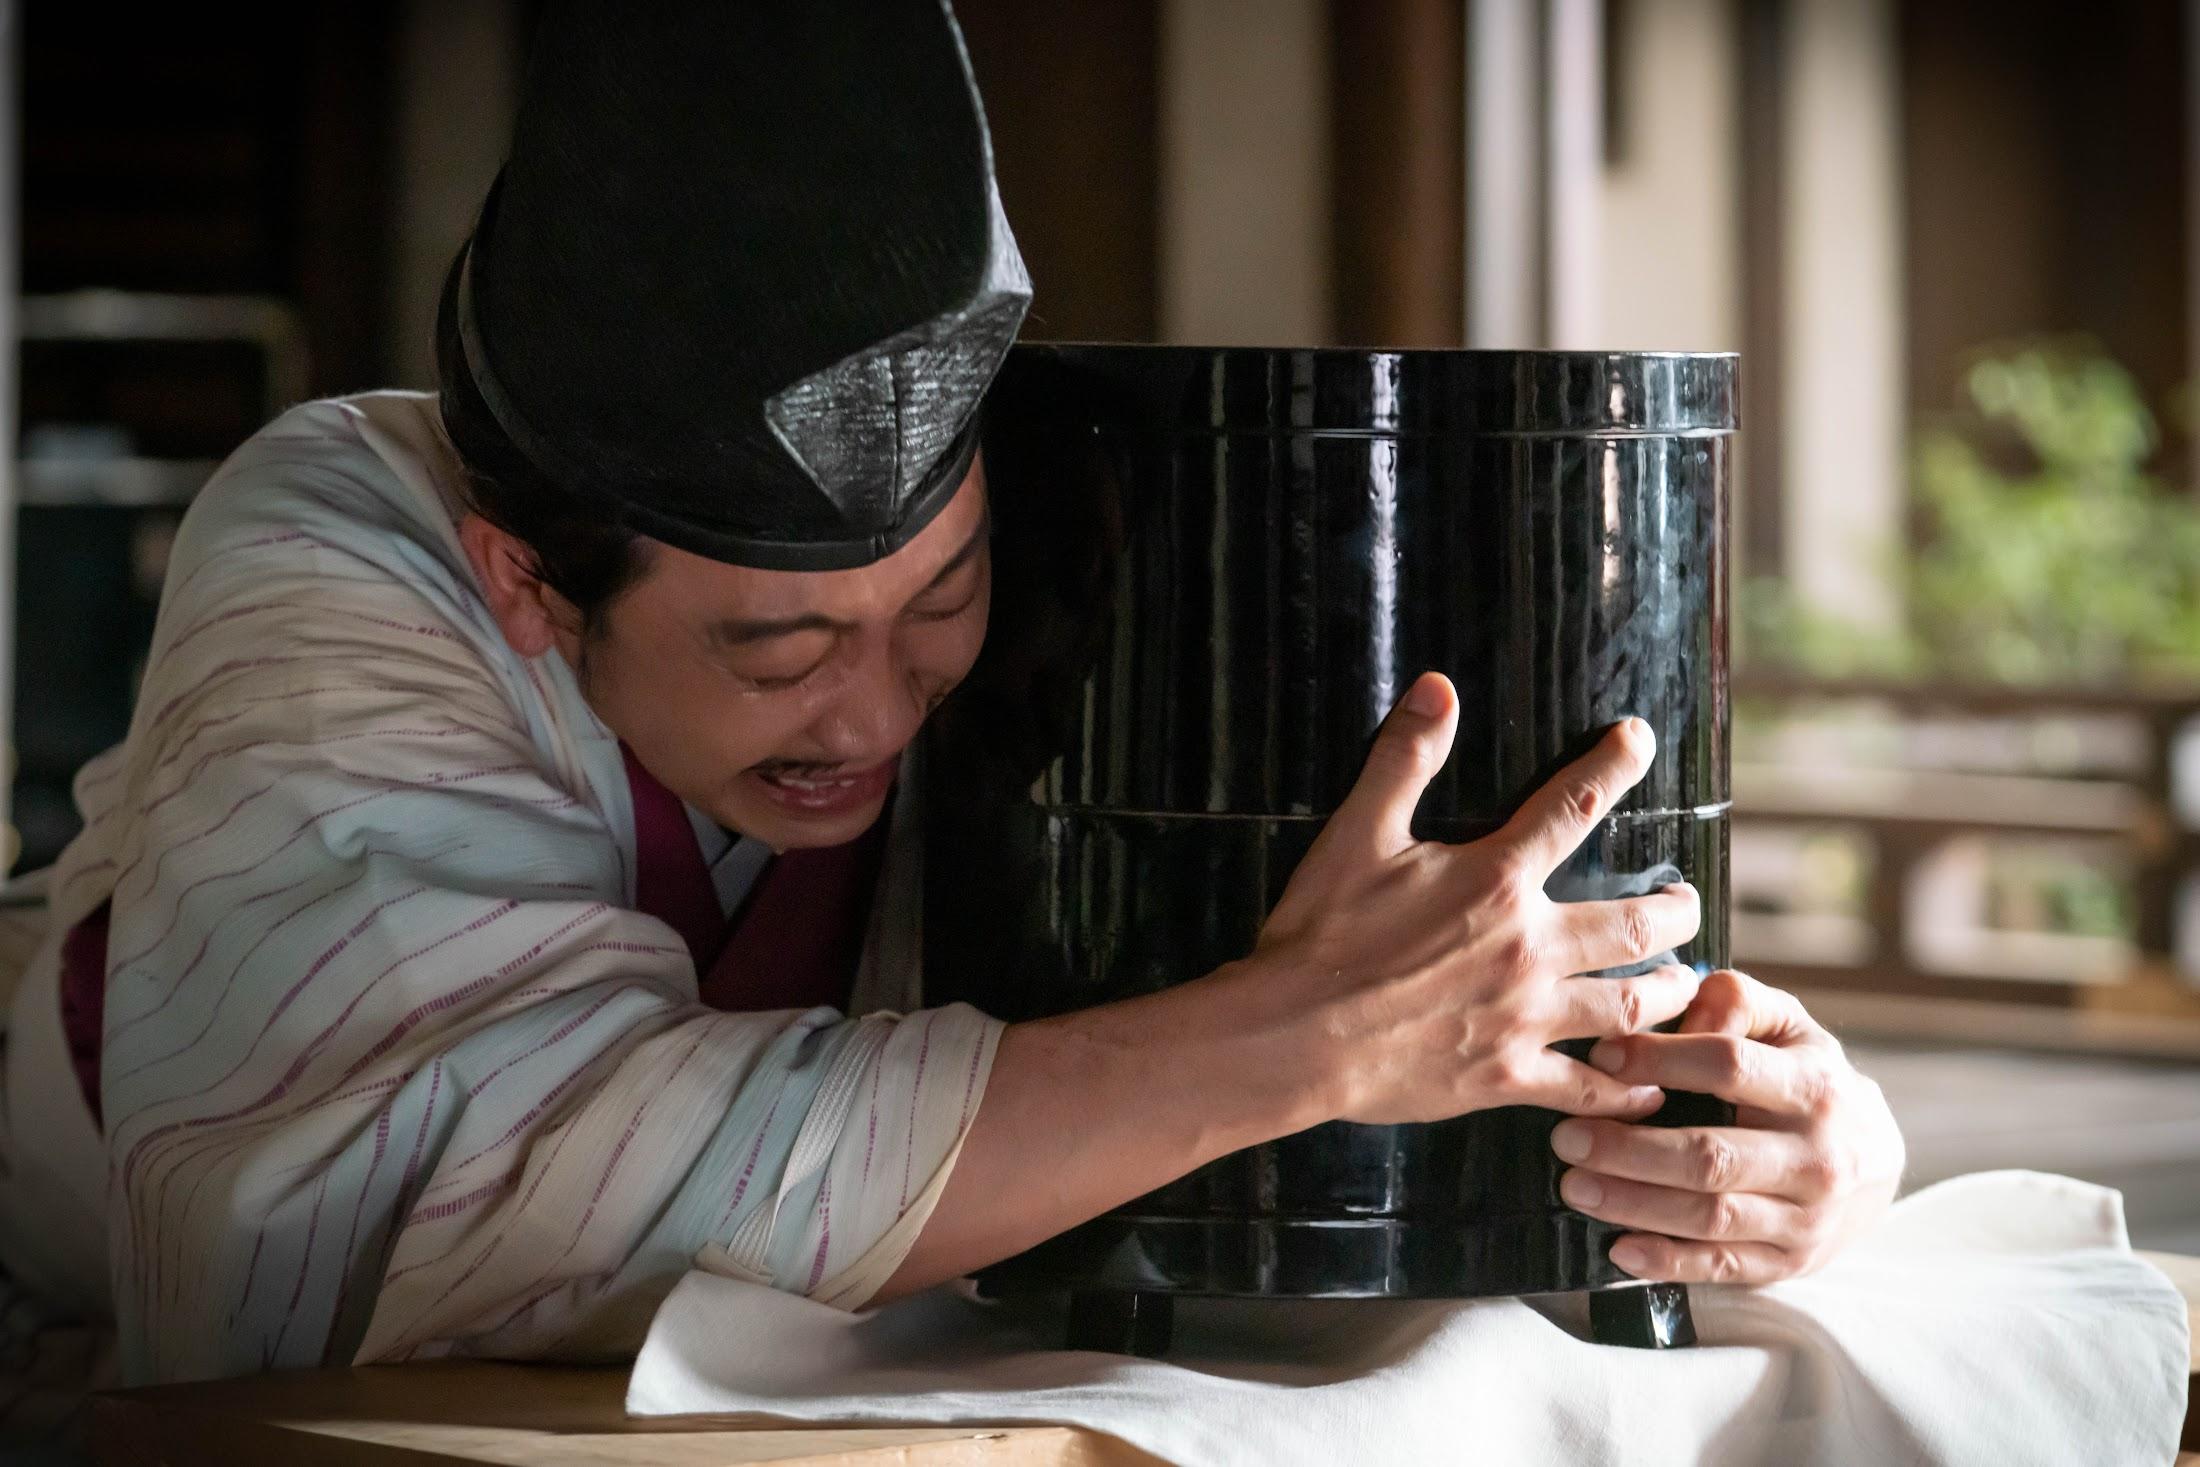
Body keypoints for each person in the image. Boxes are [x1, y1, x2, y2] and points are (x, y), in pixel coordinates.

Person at [0, 0, 1903, 1391]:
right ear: (526, 579)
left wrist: (1784, 1149)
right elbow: (428, 1210)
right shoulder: (346, 536)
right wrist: (1291, 1039)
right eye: (777, 650)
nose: (880, 714)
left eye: (943, 600)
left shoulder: (1047, 539)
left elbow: (1391, 1009)